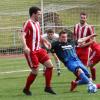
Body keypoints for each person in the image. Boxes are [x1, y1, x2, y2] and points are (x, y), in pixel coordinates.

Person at [20, 6, 56, 96]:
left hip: (39, 50)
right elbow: (22, 35)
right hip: (31, 51)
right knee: (35, 71)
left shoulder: (37, 23)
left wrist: (45, 41)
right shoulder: (28, 23)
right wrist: (25, 47)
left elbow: (38, 36)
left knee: (50, 66)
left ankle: (48, 87)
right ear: (33, 14)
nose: (40, 16)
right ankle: (26, 89)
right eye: (39, 14)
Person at [73, 12, 96, 80]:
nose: (82, 19)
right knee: (76, 64)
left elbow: (93, 40)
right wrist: (75, 44)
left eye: (84, 18)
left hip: (85, 49)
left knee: (84, 65)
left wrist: (84, 45)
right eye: (81, 18)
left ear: (86, 19)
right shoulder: (76, 26)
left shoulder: (89, 27)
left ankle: (84, 78)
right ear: (79, 18)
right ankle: (83, 77)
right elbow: (74, 37)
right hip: (77, 48)